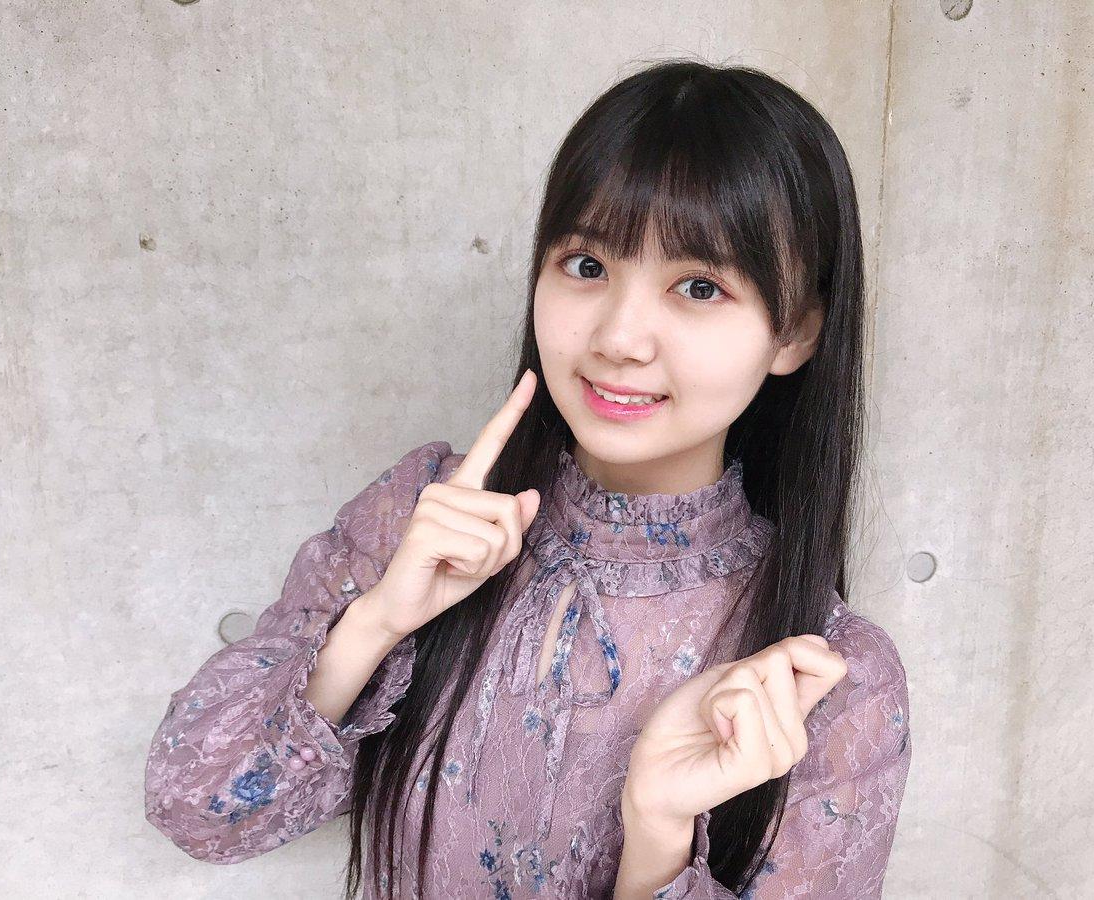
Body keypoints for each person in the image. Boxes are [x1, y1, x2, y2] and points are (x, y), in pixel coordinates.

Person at [143, 59, 911, 899]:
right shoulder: (423, 518)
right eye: (586, 266)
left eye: (698, 287)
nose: (618, 338)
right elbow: (199, 813)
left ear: (796, 332)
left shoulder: (824, 680)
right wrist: (376, 623)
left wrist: (657, 831)